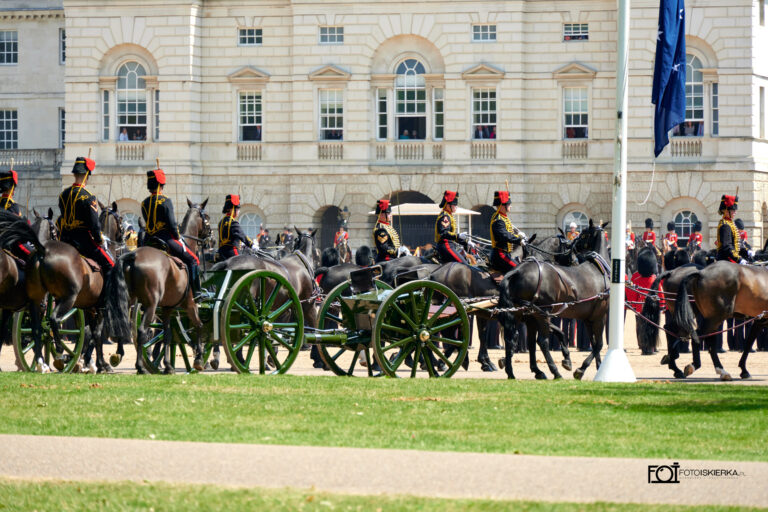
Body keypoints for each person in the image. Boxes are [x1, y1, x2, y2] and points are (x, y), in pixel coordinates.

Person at [140, 167, 203, 295]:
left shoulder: (144, 203)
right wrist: (177, 236)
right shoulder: (165, 201)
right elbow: (172, 224)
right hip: (166, 239)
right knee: (193, 259)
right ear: (161, 185)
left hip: (149, 240)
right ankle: (196, 292)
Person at [57, 156, 114, 270]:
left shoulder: (63, 195)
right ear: (87, 176)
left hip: (64, 241)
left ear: (74, 175)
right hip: (83, 242)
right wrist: (99, 239)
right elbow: (94, 224)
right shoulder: (88, 197)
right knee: (111, 266)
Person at [626, 248, 664, 355]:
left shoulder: (636, 277)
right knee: (653, 326)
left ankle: (643, 346)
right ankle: (652, 346)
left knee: (640, 326)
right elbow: (660, 293)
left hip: (640, 307)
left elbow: (633, 294)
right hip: (653, 306)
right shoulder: (654, 278)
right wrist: (662, 306)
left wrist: (633, 305)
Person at [0, 168, 32, 260]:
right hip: (9, 243)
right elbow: (17, 227)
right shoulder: (12, 205)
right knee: (33, 254)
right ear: (12, 188)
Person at [489, 190, 523, 273]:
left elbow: (509, 230)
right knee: (519, 271)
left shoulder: (503, 217)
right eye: (509, 204)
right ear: (502, 205)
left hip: (506, 254)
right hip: (500, 255)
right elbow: (505, 235)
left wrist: (518, 234)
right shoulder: (498, 220)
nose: (511, 206)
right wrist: (519, 239)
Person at [435, 190, 472, 264]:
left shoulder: (449, 215)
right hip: (446, 245)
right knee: (464, 265)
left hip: (449, 244)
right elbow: (444, 233)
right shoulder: (445, 216)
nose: (456, 206)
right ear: (448, 205)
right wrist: (458, 236)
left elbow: (452, 236)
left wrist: (466, 242)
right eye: (454, 205)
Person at [217, 194, 254, 261]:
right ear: (233, 209)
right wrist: (252, 244)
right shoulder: (233, 222)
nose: (239, 211)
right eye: (238, 209)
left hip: (221, 253)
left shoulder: (221, 222)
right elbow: (241, 235)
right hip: (232, 253)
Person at [372, 199, 401, 263]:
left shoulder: (387, 227)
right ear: (382, 215)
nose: (390, 215)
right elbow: (384, 247)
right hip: (386, 259)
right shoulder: (381, 229)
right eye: (388, 213)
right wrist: (396, 251)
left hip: (392, 258)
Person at [715, 194, 740, 263]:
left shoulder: (730, 223)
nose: (735, 212)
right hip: (727, 259)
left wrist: (746, 251)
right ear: (726, 211)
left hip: (732, 257)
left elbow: (736, 243)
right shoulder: (725, 225)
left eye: (735, 210)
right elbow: (726, 246)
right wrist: (738, 259)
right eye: (733, 210)